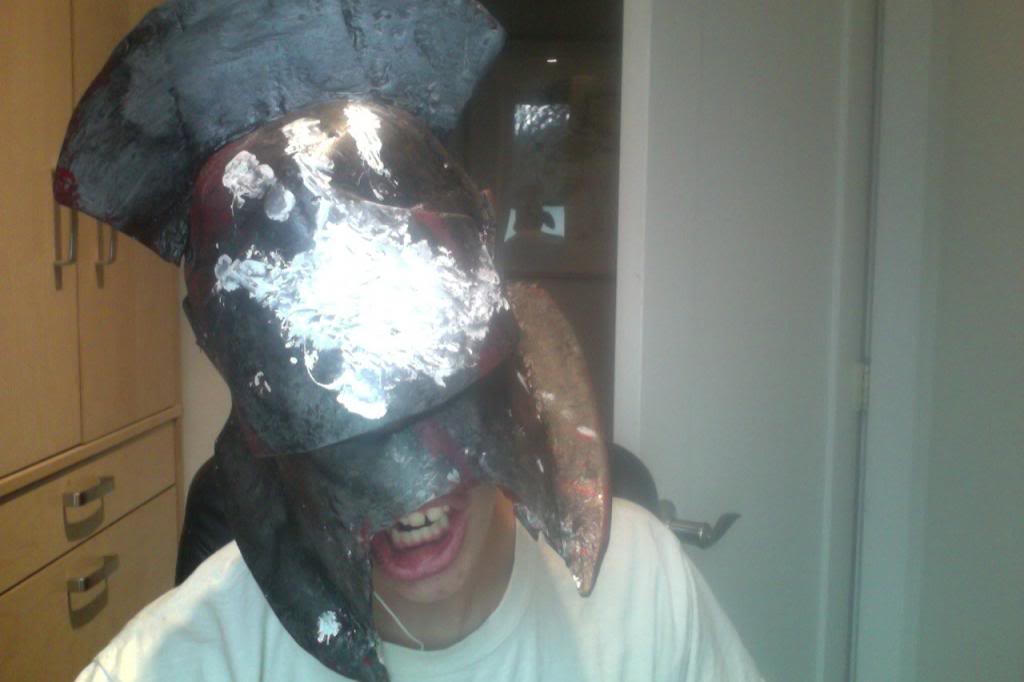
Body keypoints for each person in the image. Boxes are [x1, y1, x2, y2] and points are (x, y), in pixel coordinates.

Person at [56, 1, 763, 680]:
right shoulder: (182, 661)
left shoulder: (649, 599)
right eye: (333, 422)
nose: (403, 488)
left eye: (429, 387)